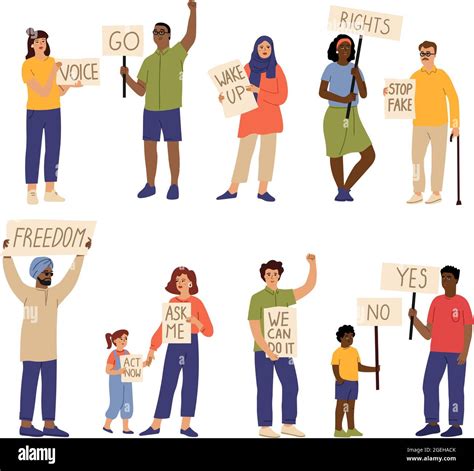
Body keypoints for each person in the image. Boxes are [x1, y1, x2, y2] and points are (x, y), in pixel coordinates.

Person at [2, 238, 92, 437]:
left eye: (51, 273)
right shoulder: (25, 293)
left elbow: (71, 277)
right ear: (36, 274)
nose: (50, 275)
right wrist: (7, 255)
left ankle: (49, 425)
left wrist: (80, 254)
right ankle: (25, 425)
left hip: (50, 351)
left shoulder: (55, 295)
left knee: (50, 388)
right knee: (29, 387)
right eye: (46, 272)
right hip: (30, 351)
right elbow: (12, 278)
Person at [120, 1, 197, 200]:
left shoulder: (178, 53)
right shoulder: (148, 61)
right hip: (151, 110)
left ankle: (174, 185)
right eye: (155, 32)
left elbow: (191, 37)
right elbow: (140, 90)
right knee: (149, 147)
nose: (158, 35)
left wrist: (193, 11)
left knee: (172, 146)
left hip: (171, 109)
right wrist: (126, 77)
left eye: (161, 32)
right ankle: (150, 184)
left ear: (169, 35)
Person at [248, 254, 317, 438]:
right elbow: (254, 327)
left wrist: (312, 264)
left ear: (279, 276)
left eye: (275, 273)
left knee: (291, 385)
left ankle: (288, 423)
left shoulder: (286, 295)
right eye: (268, 273)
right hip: (262, 351)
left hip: (284, 350)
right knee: (265, 387)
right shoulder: (256, 298)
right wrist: (267, 350)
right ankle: (264, 426)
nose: (272, 276)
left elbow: (308, 287)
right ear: (263, 276)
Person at [140, 267, 213, 437]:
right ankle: (156, 425)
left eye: (183, 279)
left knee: (190, 384)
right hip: (174, 344)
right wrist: (152, 347)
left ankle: (185, 426)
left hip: (192, 344)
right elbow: (163, 326)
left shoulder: (197, 303)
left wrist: (196, 322)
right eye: (177, 280)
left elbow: (209, 331)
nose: (180, 283)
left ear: (191, 282)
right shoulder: (172, 303)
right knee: (167, 383)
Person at [384, 41, 459, 204]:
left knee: (438, 159)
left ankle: (436, 192)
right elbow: (404, 94)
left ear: (434, 55)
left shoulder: (442, 75)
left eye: (428, 53)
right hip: (419, 124)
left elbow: (453, 98)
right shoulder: (415, 76)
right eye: (422, 53)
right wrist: (390, 93)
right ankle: (417, 192)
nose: (425, 56)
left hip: (439, 124)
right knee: (416, 159)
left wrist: (455, 124)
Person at [216, 36, 288, 202]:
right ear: (255, 49)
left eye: (268, 47)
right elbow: (236, 92)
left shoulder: (277, 70)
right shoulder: (246, 69)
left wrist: (260, 91)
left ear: (272, 50)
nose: (264, 49)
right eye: (261, 46)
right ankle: (233, 189)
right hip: (250, 118)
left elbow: (282, 97)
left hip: (270, 119)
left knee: (267, 155)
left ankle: (263, 191)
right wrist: (224, 98)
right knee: (243, 154)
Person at [409, 266, 472, 437]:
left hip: (456, 353)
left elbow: (468, 329)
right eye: (443, 277)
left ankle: (456, 425)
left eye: (449, 277)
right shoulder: (436, 302)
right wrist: (414, 320)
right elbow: (427, 334)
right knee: (429, 385)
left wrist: (465, 352)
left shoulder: (463, 302)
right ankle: (432, 423)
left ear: (457, 280)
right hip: (436, 352)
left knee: (455, 388)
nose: (445, 280)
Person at [22, 28, 82, 205]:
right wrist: (53, 73)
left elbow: (56, 92)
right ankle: (32, 190)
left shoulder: (53, 62)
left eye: (44, 41)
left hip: (54, 110)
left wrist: (70, 85)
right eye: (38, 41)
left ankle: (50, 189)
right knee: (33, 149)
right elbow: (42, 90)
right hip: (35, 111)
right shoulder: (28, 65)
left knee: (53, 148)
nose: (41, 44)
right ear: (31, 45)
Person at [319, 34, 375, 202]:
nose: (345, 50)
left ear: (352, 50)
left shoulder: (356, 69)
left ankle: (346, 188)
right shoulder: (330, 68)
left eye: (348, 47)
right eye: (342, 46)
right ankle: (340, 190)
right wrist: (343, 99)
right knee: (336, 154)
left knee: (369, 155)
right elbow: (322, 92)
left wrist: (357, 76)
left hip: (353, 116)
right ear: (337, 48)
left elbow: (364, 94)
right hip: (335, 115)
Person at [331, 325, 379, 438]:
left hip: (354, 383)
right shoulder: (337, 352)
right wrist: (339, 378)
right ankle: (338, 429)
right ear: (341, 338)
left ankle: (351, 428)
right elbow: (335, 366)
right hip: (343, 383)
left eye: (351, 336)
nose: (350, 338)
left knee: (350, 406)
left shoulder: (354, 351)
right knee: (342, 406)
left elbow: (359, 367)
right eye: (347, 336)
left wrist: (374, 369)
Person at [103, 329, 144, 435]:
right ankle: (107, 425)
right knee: (116, 402)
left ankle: (126, 428)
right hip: (116, 382)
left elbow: (133, 365)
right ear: (115, 340)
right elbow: (107, 370)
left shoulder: (127, 353)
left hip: (127, 382)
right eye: (121, 338)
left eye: (125, 338)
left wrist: (144, 364)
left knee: (127, 403)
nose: (124, 340)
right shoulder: (113, 355)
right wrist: (118, 371)